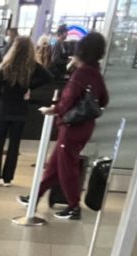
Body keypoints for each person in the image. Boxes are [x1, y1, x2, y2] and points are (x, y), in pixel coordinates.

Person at [18, 30, 109, 221]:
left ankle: (74, 206)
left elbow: (67, 100)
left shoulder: (81, 73)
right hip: (85, 126)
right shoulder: (96, 73)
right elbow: (104, 99)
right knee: (55, 165)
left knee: (66, 166)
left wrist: (55, 109)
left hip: (72, 126)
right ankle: (34, 197)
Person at [0, 36, 52, 186]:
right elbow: (48, 77)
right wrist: (29, 87)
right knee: (14, 146)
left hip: (3, 108)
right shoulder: (32, 66)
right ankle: (8, 178)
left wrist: (1, 98)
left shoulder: (6, 65)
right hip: (20, 109)